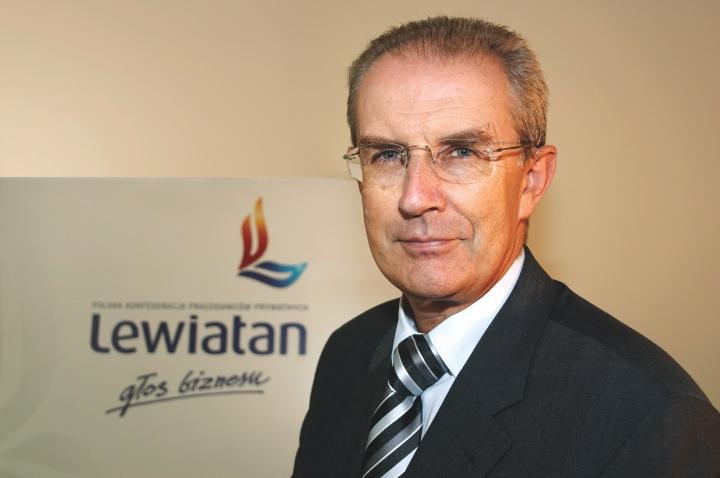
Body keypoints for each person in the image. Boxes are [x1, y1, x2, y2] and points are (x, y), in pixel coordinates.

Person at [292, 16, 720, 478]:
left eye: (462, 152)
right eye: (388, 155)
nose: (415, 197)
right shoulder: (348, 353)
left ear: (531, 181)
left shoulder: (651, 416)